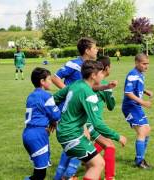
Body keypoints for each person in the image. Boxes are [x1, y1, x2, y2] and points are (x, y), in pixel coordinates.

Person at [52, 37, 116, 180]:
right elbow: (55, 77)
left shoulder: (91, 67)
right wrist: (71, 93)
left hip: (80, 115)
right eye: (95, 48)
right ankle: (69, 175)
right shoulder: (74, 64)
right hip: (73, 114)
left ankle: (64, 175)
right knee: (83, 145)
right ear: (87, 50)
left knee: (77, 147)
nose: (97, 49)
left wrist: (105, 87)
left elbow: (89, 87)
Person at [22, 67, 61, 180]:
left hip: (28, 133)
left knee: (38, 172)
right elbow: (56, 115)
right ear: (42, 82)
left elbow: (40, 112)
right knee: (40, 175)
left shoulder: (31, 95)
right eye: (49, 79)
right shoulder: (46, 96)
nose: (51, 81)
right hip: (38, 134)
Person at [85, 56, 118, 180]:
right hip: (93, 122)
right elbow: (111, 106)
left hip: (83, 121)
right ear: (107, 68)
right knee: (109, 145)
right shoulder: (105, 85)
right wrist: (109, 93)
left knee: (102, 141)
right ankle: (109, 177)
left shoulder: (87, 83)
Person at [121, 53, 154, 169]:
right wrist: (143, 102)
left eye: (147, 64)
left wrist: (145, 91)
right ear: (136, 63)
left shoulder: (140, 74)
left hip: (136, 106)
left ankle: (140, 158)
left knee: (147, 130)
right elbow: (127, 92)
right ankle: (140, 161)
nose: (146, 66)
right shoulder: (132, 75)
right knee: (142, 132)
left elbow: (133, 87)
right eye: (144, 64)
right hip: (130, 107)